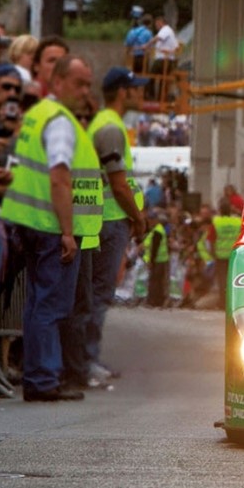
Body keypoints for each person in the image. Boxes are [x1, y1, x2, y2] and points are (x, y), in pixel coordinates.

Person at [0, 55, 103, 402]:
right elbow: (59, 178)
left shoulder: (38, 114)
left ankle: (38, 375)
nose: (85, 92)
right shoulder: (60, 122)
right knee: (51, 305)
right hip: (48, 224)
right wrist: (68, 231)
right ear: (57, 82)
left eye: (89, 84)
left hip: (28, 221)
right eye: (79, 83)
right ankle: (43, 379)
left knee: (36, 303)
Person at [85, 67, 150, 382]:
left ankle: (86, 358)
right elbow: (119, 185)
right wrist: (137, 218)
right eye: (136, 88)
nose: (141, 93)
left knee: (95, 293)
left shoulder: (107, 124)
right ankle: (87, 361)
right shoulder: (110, 127)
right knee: (99, 294)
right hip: (109, 220)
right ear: (123, 92)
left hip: (106, 220)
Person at [211, 199, 243, 308]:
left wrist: (213, 252)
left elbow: (211, 239)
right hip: (235, 255)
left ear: (220, 210)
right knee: (234, 280)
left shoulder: (216, 222)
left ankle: (222, 303)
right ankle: (233, 302)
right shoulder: (238, 221)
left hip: (220, 255)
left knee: (222, 280)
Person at [146, 16, 179, 100]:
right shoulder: (170, 31)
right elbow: (176, 47)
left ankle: (151, 96)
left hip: (163, 60)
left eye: (157, 24)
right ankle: (160, 98)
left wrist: (146, 45)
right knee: (162, 80)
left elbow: (157, 38)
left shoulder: (165, 30)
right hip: (169, 60)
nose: (156, 26)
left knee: (151, 76)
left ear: (161, 22)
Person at [144, 212, 170, 308]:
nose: (149, 222)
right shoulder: (158, 229)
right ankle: (158, 301)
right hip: (161, 259)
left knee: (154, 281)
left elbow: (155, 247)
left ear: (155, 220)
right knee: (158, 281)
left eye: (151, 220)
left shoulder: (157, 231)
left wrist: (151, 261)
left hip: (158, 260)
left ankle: (153, 301)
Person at [124, 9, 154, 74]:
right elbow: (151, 46)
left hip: (133, 57)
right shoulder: (148, 33)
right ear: (150, 23)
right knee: (143, 76)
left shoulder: (132, 31)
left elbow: (127, 43)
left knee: (133, 76)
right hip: (143, 57)